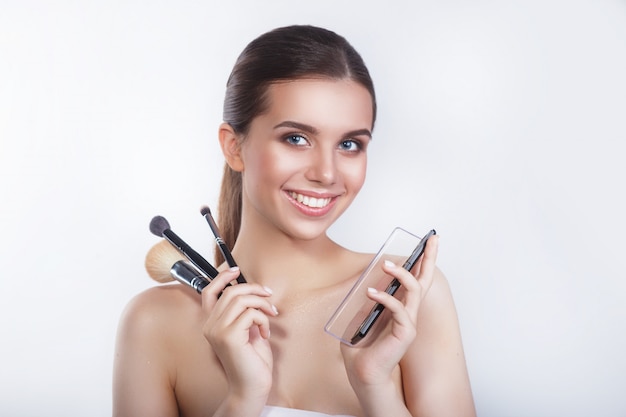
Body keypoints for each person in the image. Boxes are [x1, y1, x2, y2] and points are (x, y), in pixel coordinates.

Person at [113, 25, 476, 417]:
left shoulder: (406, 298)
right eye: (297, 139)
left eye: (350, 144)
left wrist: (376, 390)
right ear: (234, 147)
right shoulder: (153, 323)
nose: (326, 173)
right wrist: (243, 399)